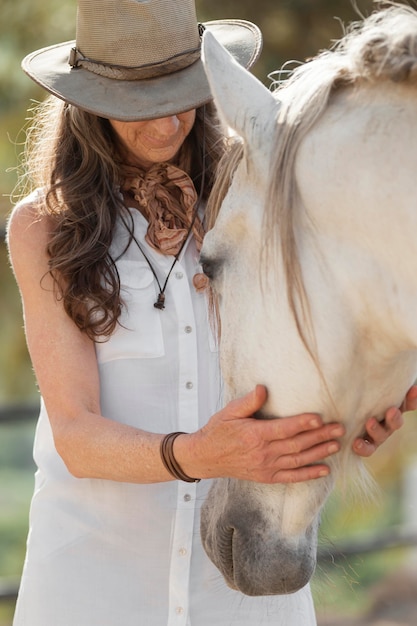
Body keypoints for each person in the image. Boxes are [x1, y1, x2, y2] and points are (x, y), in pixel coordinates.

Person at [6, 1, 413, 625]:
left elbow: (331, 334)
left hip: (242, 586)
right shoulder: (45, 226)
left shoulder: (265, 193)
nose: (169, 120)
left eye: (185, 92)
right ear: (92, 101)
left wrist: (364, 412)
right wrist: (205, 454)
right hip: (94, 585)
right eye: (143, 102)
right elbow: (76, 435)